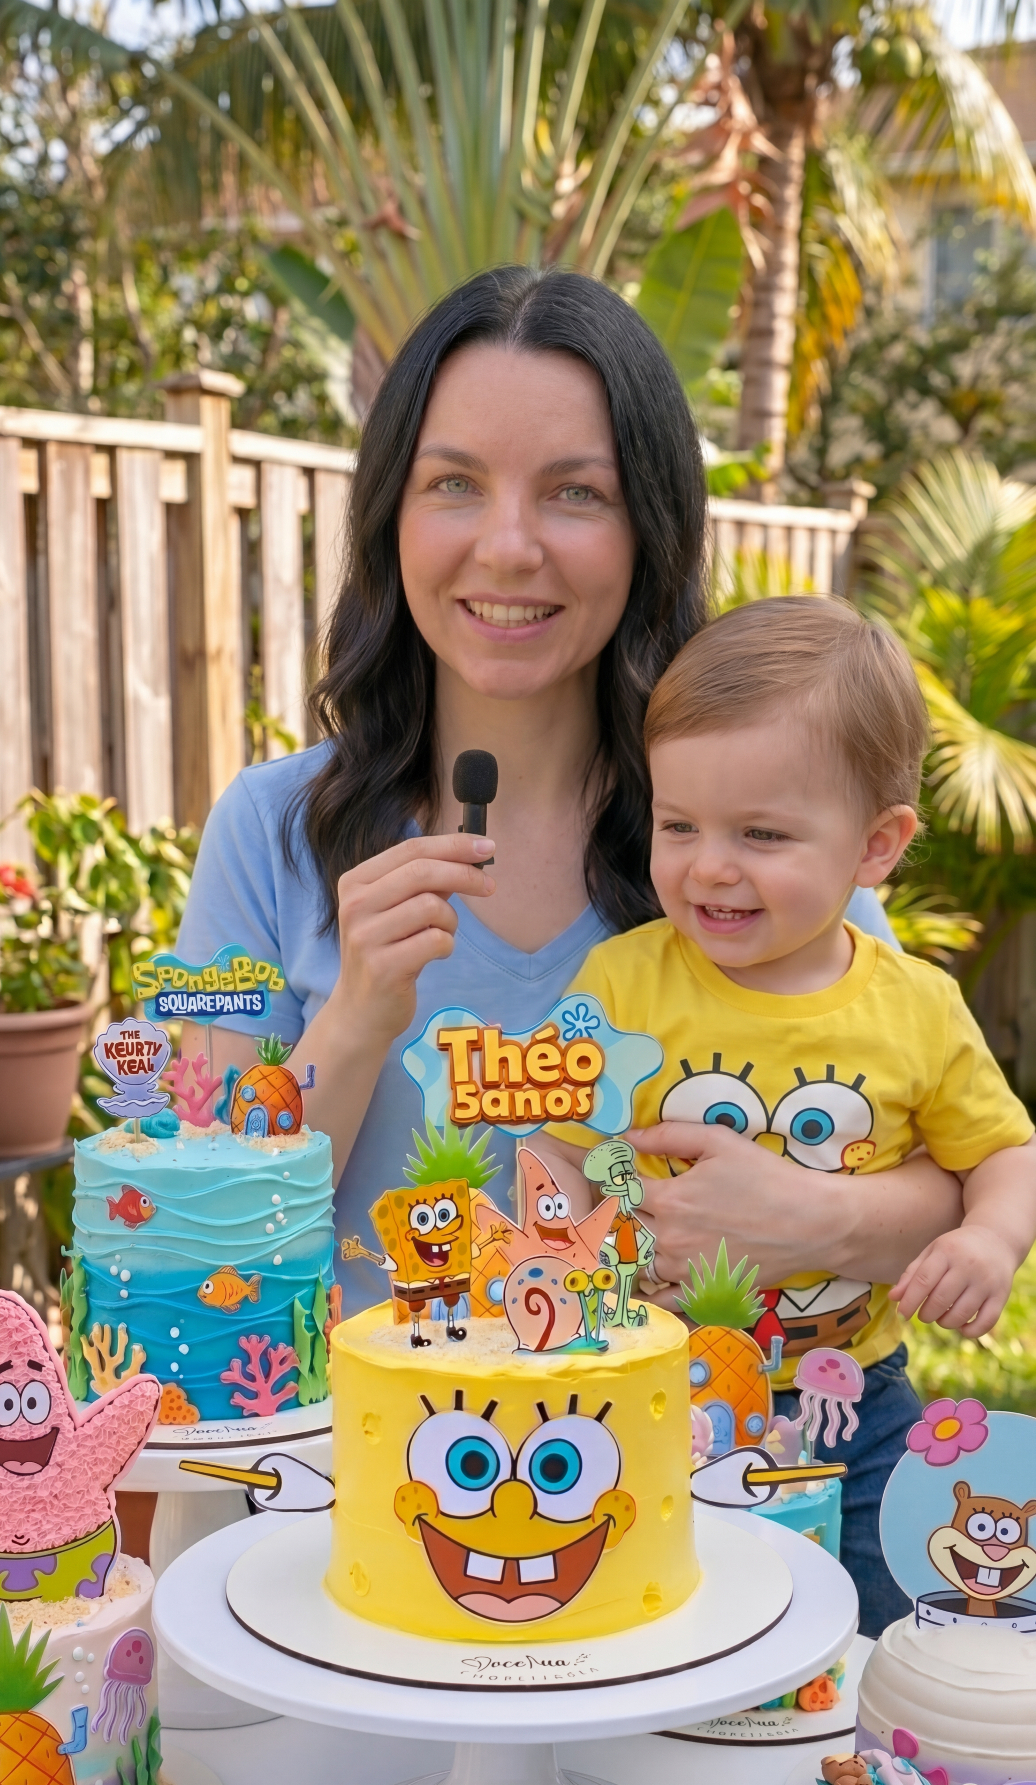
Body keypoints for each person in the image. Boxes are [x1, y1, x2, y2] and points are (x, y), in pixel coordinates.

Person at [175, 265, 962, 1334]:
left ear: (651, 528)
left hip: (702, 1435)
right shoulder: (270, 833)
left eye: (575, 492)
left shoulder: (756, 840)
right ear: (390, 514)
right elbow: (198, 1241)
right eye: (453, 482)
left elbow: (959, 1183)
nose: (508, 546)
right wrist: (354, 1020)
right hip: (353, 1437)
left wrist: (810, 1215)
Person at [546, 596, 1036, 1634]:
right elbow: (556, 1139)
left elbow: (1004, 1150)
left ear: (876, 846)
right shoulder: (621, 985)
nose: (709, 865)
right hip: (650, 1391)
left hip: (852, 1403)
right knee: (669, 1624)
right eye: (679, 825)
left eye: (761, 834)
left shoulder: (915, 1007)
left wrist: (990, 1239)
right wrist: (560, 1262)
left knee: (882, 1631)